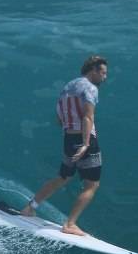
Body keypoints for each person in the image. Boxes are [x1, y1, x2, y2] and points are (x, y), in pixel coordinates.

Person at [20, 55, 108, 236]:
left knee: (63, 176)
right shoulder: (90, 88)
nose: (104, 78)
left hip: (68, 138)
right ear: (93, 71)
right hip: (85, 140)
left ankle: (29, 208)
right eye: (103, 73)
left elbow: (59, 118)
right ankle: (69, 224)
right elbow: (87, 117)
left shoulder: (67, 87)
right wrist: (85, 143)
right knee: (92, 185)